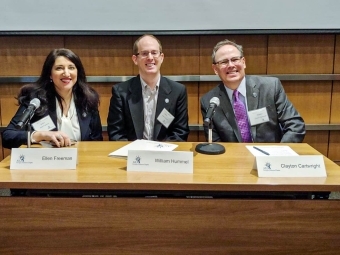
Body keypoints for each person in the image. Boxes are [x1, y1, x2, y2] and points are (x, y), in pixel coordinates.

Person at [200, 39, 306, 143]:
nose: (231, 65)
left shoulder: (270, 87)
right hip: (235, 158)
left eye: (235, 59)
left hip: (270, 156)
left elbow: (295, 125)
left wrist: (278, 154)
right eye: (224, 62)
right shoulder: (209, 101)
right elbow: (215, 142)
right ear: (215, 69)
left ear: (243, 62)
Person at [2, 48, 103, 149]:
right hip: (47, 161)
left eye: (71, 68)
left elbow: (97, 140)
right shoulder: (36, 99)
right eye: (59, 68)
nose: (66, 73)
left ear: (77, 72)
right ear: (50, 74)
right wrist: (39, 135)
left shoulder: (88, 99)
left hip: (82, 161)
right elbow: (8, 136)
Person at [107, 34, 189, 141]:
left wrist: (158, 153)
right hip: (132, 155)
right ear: (135, 59)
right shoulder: (121, 92)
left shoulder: (178, 91)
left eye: (154, 53)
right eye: (144, 53)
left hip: (164, 154)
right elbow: (116, 133)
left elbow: (180, 133)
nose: (150, 58)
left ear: (162, 57)